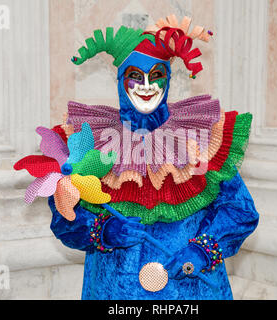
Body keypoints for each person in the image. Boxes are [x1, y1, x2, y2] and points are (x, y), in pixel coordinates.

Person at [17, 15, 259, 300]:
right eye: (136, 76)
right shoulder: (91, 144)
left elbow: (239, 210)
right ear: (121, 80)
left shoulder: (199, 139)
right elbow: (65, 218)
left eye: (156, 76)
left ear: (168, 80)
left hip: (189, 292)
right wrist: (104, 231)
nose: (146, 86)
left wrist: (202, 250)